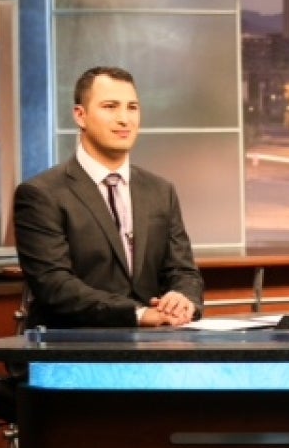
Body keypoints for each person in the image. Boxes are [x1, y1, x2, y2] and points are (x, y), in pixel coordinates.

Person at [14, 66, 203, 328]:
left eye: (132, 107)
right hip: (75, 349)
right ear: (80, 115)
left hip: (156, 345)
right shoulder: (41, 194)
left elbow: (183, 270)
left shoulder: (160, 190)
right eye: (110, 106)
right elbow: (54, 285)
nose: (124, 119)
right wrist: (137, 314)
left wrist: (182, 299)